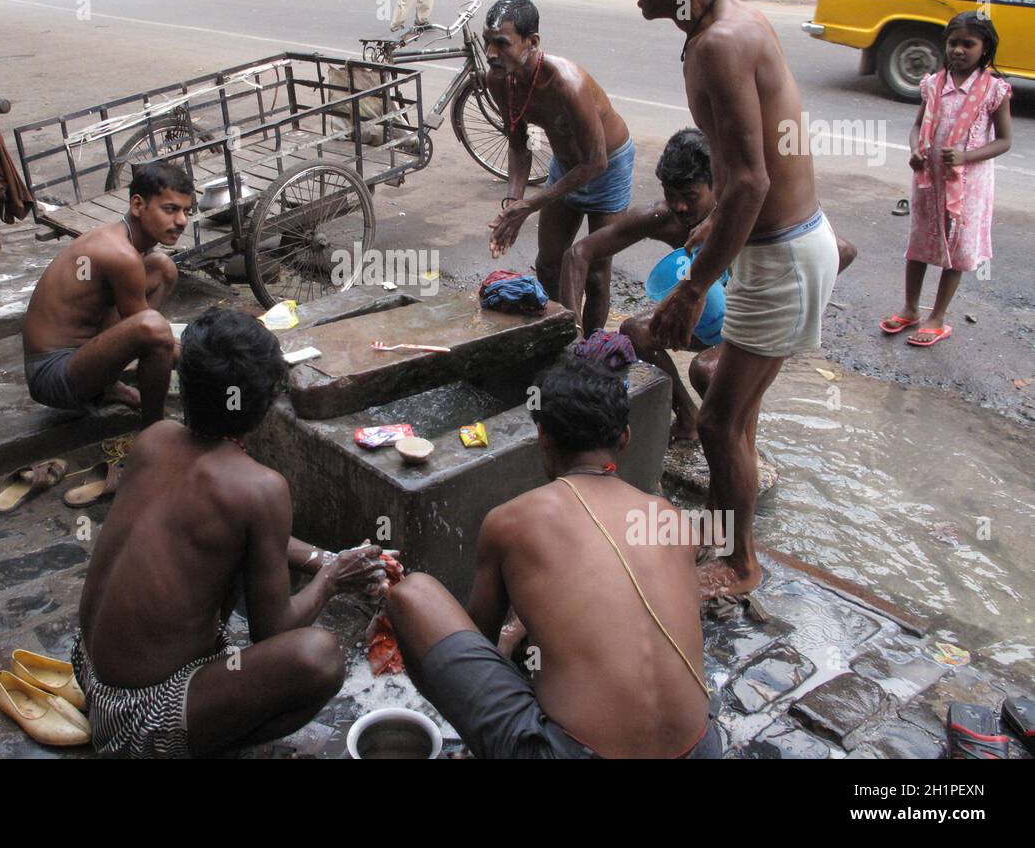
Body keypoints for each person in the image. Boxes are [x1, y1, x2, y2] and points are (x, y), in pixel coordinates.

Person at [624, 0, 840, 599]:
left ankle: (741, 564)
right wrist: (713, 236)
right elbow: (751, 167)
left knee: (719, 422)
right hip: (776, 245)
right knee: (728, 405)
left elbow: (748, 180)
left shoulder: (720, 42)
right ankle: (723, 541)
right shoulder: (723, 28)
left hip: (782, 255)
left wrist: (691, 289)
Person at [73, 308, 386, 757]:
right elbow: (273, 632)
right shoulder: (260, 488)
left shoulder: (155, 438)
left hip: (89, 673)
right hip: (138, 719)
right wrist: (332, 580)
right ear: (260, 408)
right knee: (320, 656)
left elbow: (231, 528)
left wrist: (324, 558)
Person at [385, 355, 720, 759]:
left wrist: (512, 639)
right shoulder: (666, 516)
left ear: (542, 437)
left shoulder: (510, 520)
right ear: (626, 437)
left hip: (570, 753)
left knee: (413, 594)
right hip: (702, 746)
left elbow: (480, 641)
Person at [561, 128, 858, 442]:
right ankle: (689, 419)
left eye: (690, 197)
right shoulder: (663, 218)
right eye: (671, 195)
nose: (680, 207)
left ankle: (742, 447)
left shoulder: (748, 217)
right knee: (635, 332)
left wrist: (790, 313)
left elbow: (843, 251)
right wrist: (574, 334)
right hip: (704, 316)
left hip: (755, 321)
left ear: (718, 186)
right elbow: (578, 254)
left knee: (707, 372)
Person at [485, 0, 633, 334]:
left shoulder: (568, 84)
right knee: (548, 264)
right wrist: (513, 204)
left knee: (596, 271)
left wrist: (531, 205)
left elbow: (596, 163)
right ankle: (560, 338)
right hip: (567, 167)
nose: (492, 54)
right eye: (487, 43)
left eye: (502, 44)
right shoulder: (499, 79)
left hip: (606, 167)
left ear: (532, 42)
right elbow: (518, 143)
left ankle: (592, 351)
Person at [21, 160, 188, 428]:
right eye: (170, 209)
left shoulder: (127, 244)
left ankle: (108, 384)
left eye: (185, 211)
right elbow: (149, 332)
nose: (181, 221)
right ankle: (154, 428)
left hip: (81, 353)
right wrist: (215, 354)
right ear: (137, 206)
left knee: (162, 268)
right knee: (155, 330)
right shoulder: (120, 254)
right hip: (51, 374)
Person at [879, 11, 1011, 347]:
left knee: (957, 248)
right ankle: (910, 308)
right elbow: (916, 126)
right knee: (920, 243)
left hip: (968, 185)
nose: (958, 50)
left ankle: (937, 316)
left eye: (969, 44)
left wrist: (967, 157)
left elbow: (1004, 140)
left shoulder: (993, 90)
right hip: (929, 179)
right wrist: (915, 149)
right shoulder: (933, 85)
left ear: (985, 47)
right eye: (953, 43)